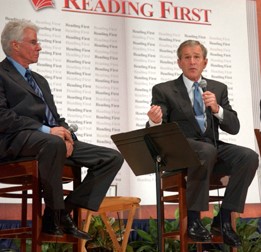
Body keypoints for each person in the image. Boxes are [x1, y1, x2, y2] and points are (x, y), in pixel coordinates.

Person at [0, 19, 124, 239]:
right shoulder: (2, 74)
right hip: (14, 142)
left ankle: (61, 212)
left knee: (111, 158)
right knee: (53, 142)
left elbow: (55, 118)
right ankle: (57, 214)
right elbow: (2, 117)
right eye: (34, 42)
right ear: (15, 45)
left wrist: (66, 135)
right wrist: (47, 132)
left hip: (50, 142)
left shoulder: (39, 80)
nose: (40, 47)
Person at [147, 40, 258, 247]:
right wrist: (154, 120)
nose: (192, 61)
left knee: (249, 156)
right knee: (206, 150)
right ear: (179, 62)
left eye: (196, 57)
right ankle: (194, 219)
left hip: (210, 150)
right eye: (187, 57)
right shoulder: (165, 90)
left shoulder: (217, 88)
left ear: (204, 62)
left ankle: (223, 219)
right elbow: (157, 127)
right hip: (181, 150)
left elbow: (233, 128)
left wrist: (217, 109)